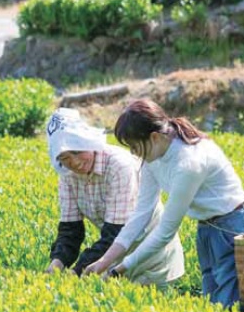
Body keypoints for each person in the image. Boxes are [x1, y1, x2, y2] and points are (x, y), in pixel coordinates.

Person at [84, 99, 244, 308]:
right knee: (215, 306)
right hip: (207, 230)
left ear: (154, 136)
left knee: (231, 309)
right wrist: (105, 262)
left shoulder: (189, 163)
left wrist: (119, 269)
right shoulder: (152, 158)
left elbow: (165, 232)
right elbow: (141, 215)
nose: (133, 153)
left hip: (233, 229)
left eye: (134, 146)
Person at [45, 108, 184, 287]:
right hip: (113, 257)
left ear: (88, 142)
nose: (75, 163)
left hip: (151, 256)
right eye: (65, 158)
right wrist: (57, 263)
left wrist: (77, 271)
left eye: (78, 152)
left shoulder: (119, 165)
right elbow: (71, 230)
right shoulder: (67, 175)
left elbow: (115, 231)